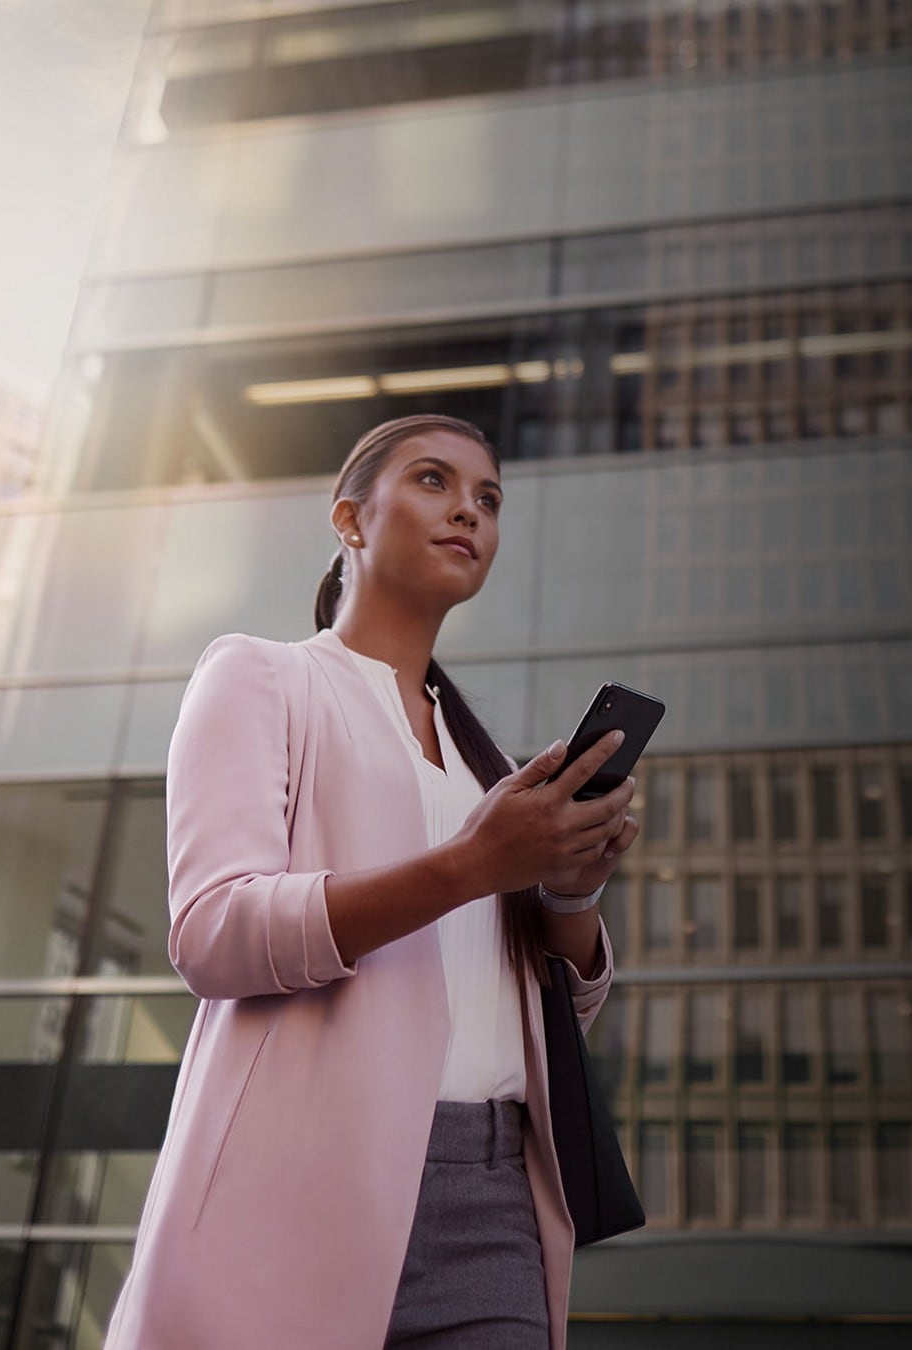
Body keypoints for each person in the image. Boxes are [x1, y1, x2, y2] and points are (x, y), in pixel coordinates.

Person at [105, 415, 639, 1349]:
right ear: (350, 520)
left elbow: (541, 1011)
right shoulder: (262, 680)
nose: (468, 510)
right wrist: (473, 864)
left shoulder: (490, 770)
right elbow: (213, 931)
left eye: (489, 499)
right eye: (435, 482)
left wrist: (570, 891)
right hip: (298, 1180)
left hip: (493, 1199)